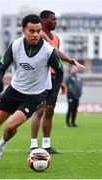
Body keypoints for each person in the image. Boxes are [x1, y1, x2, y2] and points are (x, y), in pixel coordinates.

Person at [0, 14, 64, 170]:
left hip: (34, 96)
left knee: (10, 126)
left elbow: (60, 71)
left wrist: (53, 97)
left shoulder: (48, 51)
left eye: (38, 31)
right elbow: (1, 68)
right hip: (14, 90)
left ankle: (1, 145)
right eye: (32, 31)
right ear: (24, 30)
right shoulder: (15, 46)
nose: (35, 34)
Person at [30, 10, 84, 154]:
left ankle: (46, 145)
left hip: (54, 78)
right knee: (39, 110)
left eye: (56, 20)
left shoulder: (57, 37)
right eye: (52, 20)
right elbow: (54, 51)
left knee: (50, 110)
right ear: (43, 20)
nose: (55, 22)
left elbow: (56, 60)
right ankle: (34, 146)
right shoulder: (40, 36)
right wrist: (71, 60)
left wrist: (61, 82)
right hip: (42, 77)